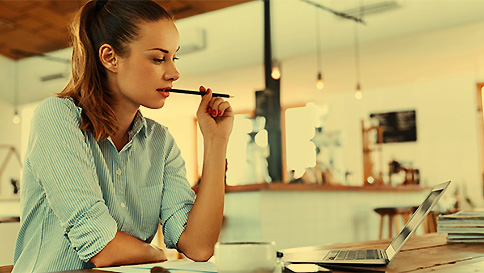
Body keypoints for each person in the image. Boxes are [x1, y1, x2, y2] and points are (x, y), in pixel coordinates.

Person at [12, 0, 233, 272]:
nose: (174, 73)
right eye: (158, 58)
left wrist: (215, 141)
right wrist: (155, 253)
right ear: (110, 58)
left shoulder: (160, 142)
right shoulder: (57, 117)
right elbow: (102, 247)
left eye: (174, 58)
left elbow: (198, 247)